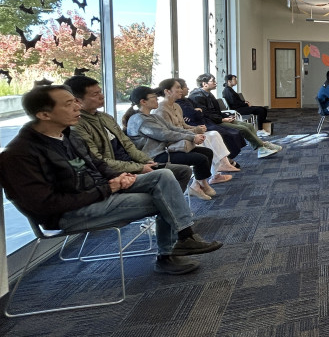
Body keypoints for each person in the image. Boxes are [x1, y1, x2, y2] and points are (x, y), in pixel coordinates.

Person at [0, 84, 222, 275]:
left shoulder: (67, 136)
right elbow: (46, 205)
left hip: (99, 192)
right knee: (165, 199)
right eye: (68, 104)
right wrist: (108, 188)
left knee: (164, 176)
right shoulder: (19, 154)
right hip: (70, 213)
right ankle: (168, 254)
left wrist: (119, 178)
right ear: (44, 114)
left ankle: (184, 236)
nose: (77, 107)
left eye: (75, 101)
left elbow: (99, 165)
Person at [64, 75, 193, 193]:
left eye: (100, 92)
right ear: (78, 100)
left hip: (135, 162)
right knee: (166, 175)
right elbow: (98, 161)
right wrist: (139, 167)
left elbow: (127, 143)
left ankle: (168, 206)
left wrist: (146, 160)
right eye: (95, 94)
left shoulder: (105, 117)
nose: (102, 96)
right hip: (116, 173)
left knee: (183, 171)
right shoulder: (78, 126)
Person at [122, 86, 218, 201]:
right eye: (154, 97)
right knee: (200, 159)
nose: (157, 99)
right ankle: (184, 195)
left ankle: (198, 185)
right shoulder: (140, 120)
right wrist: (192, 137)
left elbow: (173, 129)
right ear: (143, 102)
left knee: (207, 152)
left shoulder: (153, 117)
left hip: (165, 150)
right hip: (154, 156)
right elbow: (165, 134)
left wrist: (194, 134)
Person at [155, 78, 240, 174]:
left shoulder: (176, 106)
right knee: (204, 139)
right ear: (167, 91)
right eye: (178, 88)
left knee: (214, 134)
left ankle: (223, 165)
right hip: (174, 142)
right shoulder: (161, 110)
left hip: (185, 136)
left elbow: (183, 125)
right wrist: (195, 131)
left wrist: (197, 129)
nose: (181, 90)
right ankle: (214, 173)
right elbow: (171, 133)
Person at [188, 74, 282, 157]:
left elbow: (216, 111)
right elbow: (206, 115)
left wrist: (225, 116)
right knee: (243, 128)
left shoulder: (209, 94)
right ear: (204, 84)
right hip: (213, 122)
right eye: (213, 81)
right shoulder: (198, 97)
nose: (216, 83)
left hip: (219, 119)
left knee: (248, 125)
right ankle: (261, 147)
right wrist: (222, 119)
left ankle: (261, 145)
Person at [175, 78, 246, 165]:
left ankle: (227, 159)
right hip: (199, 125)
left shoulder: (188, 100)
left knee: (234, 132)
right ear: (204, 83)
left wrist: (197, 112)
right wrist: (197, 112)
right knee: (225, 134)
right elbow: (195, 114)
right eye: (185, 87)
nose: (188, 88)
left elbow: (200, 112)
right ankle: (226, 161)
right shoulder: (195, 96)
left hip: (207, 121)